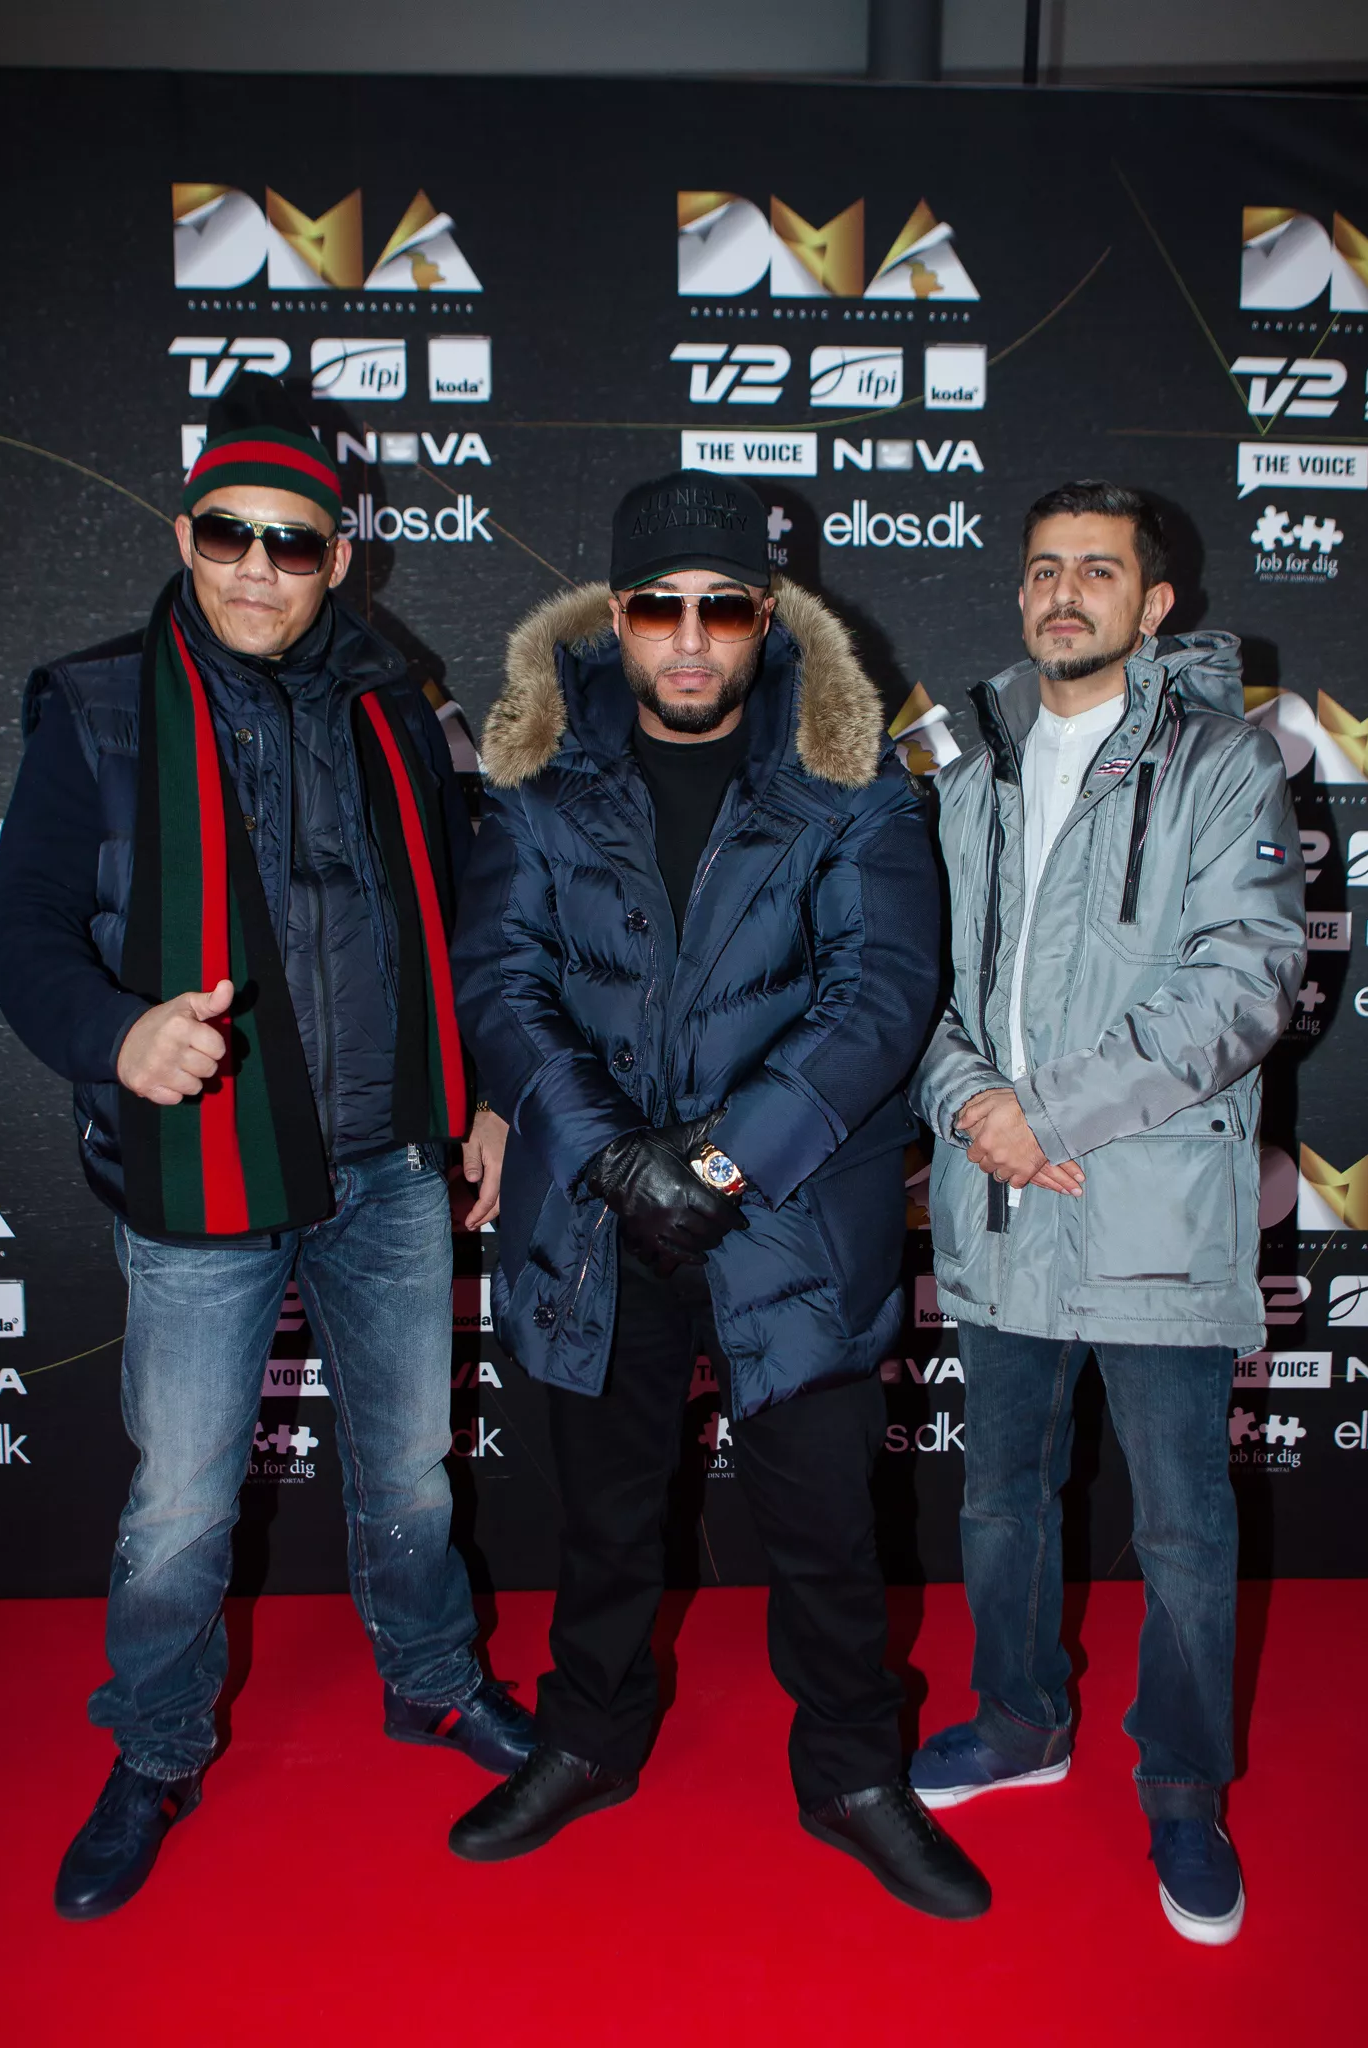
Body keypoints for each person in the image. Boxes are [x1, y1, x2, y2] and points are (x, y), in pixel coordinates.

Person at [0, 373, 532, 1921]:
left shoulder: (398, 704)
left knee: (410, 1469)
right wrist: (116, 1035)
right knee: (180, 1502)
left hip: (392, 1166)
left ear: (336, 559)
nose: (256, 568)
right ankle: (156, 1748)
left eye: (291, 543)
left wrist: (486, 1094)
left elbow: (468, 924)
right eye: (229, 533)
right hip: (201, 1168)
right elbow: (20, 931)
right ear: (185, 533)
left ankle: (431, 1682)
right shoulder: (99, 704)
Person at [446, 470, 989, 1921]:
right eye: (659, 607)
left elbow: (882, 995)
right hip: (595, 1216)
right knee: (604, 1516)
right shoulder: (536, 782)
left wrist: (722, 1161)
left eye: (722, 608)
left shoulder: (855, 779)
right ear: (614, 617)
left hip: (792, 1214)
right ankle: (588, 1739)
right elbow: (500, 983)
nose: (690, 639)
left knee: (826, 1524)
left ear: (767, 616)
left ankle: (854, 1774)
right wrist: (618, 1157)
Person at [907, 481, 1305, 1944]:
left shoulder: (1223, 761)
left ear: (1155, 604)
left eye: (1098, 571)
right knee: (1001, 1498)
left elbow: (1247, 979)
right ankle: (1020, 1718)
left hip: (1150, 1209)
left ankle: (1185, 1790)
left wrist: (1051, 1115)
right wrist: (973, 1107)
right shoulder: (967, 766)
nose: (1063, 594)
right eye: (1043, 570)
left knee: (1184, 1529)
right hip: (1001, 1204)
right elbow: (911, 976)